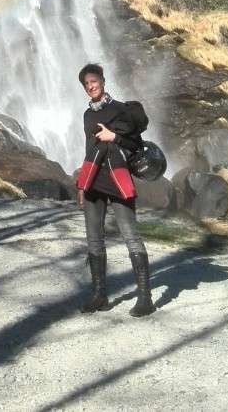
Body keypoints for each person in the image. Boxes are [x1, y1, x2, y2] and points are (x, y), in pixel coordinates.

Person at [75, 62, 155, 317]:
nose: (91, 86)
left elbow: (135, 143)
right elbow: (89, 148)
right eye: (86, 84)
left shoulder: (121, 110)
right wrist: (81, 184)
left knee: (130, 235)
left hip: (117, 176)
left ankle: (145, 298)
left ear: (102, 81)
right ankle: (100, 296)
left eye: (93, 81)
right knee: (94, 239)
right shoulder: (87, 115)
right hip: (93, 179)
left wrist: (115, 137)